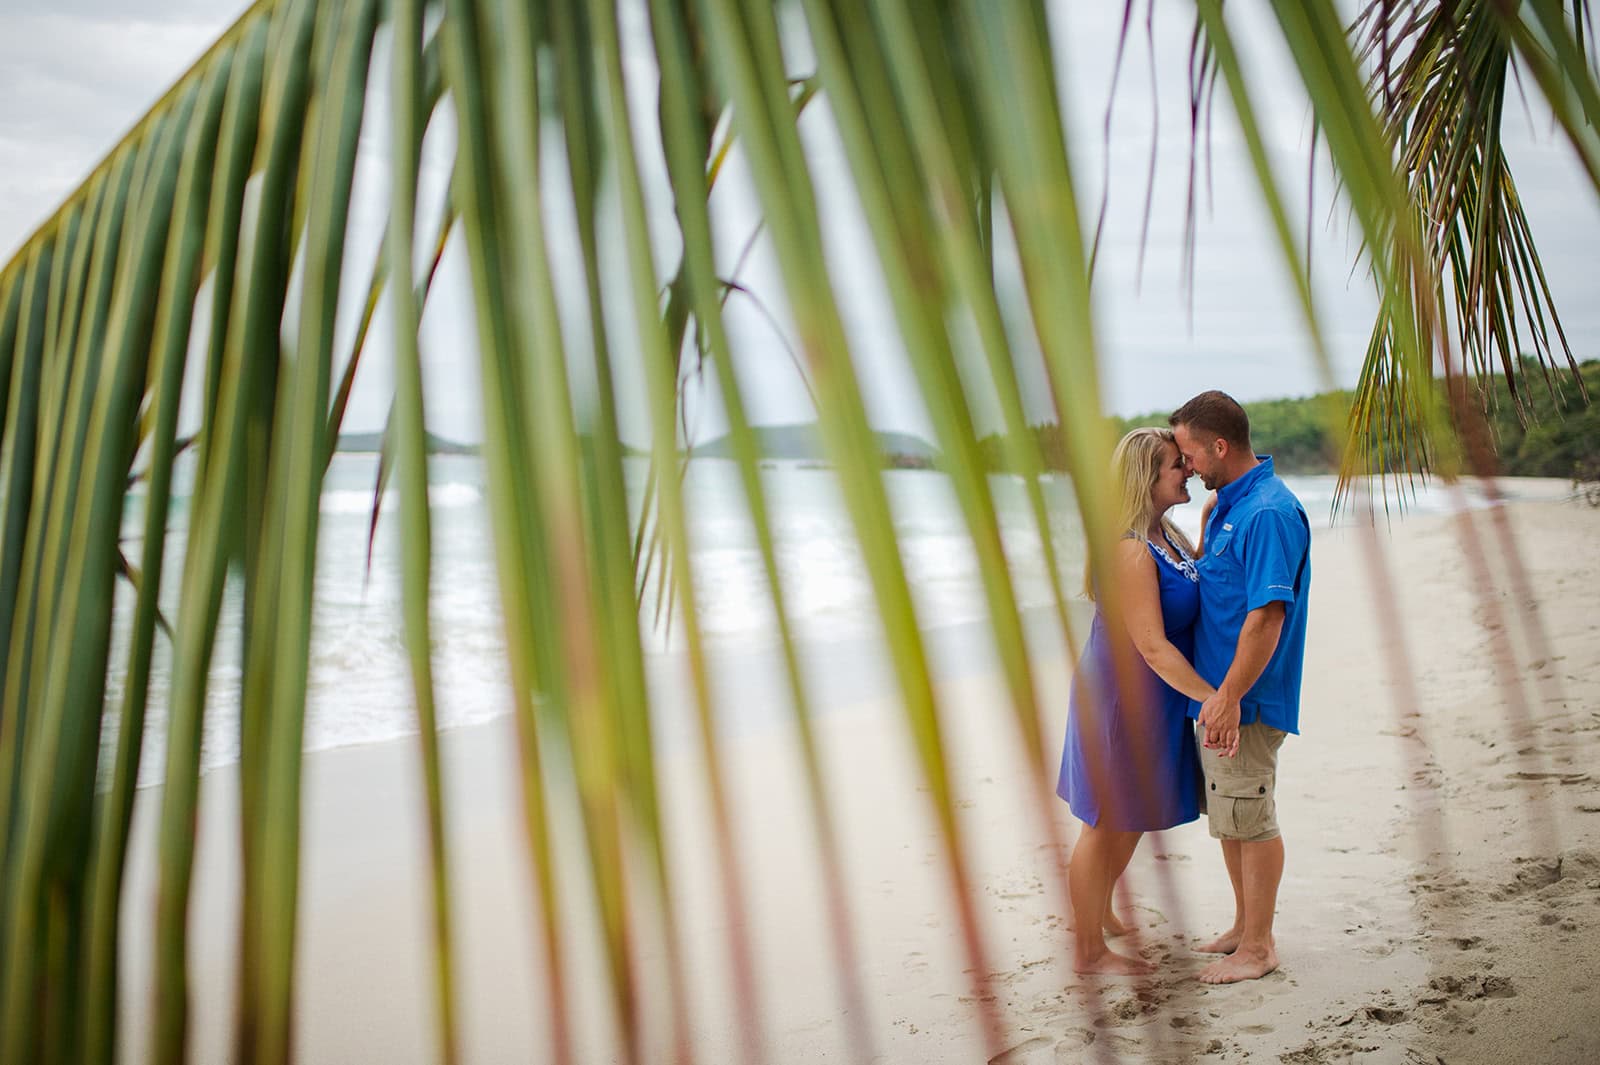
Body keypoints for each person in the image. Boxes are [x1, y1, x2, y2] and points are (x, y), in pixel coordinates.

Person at [1057, 428, 1216, 975]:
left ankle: (1099, 910)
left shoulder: (1165, 532)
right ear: (1145, 479)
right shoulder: (1129, 549)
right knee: (1105, 821)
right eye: (1177, 465)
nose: (1188, 471)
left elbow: (1195, 582)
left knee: (1130, 815)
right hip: (1123, 700)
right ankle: (1088, 951)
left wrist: (1215, 514)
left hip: (1156, 698)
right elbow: (1151, 644)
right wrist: (1214, 699)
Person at [1169, 391, 1311, 985]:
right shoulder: (1230, 505)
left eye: (1189, 454)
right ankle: (1242, 926)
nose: (1187, 467)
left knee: (1252, 818)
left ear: (1219, 446)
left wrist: (1226, 696)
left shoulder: (1269, 512)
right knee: (1231, 816)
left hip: (1244, 701)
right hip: (1220, 698)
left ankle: (1259, 946)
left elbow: (1266, 617)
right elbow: (1221, 591)